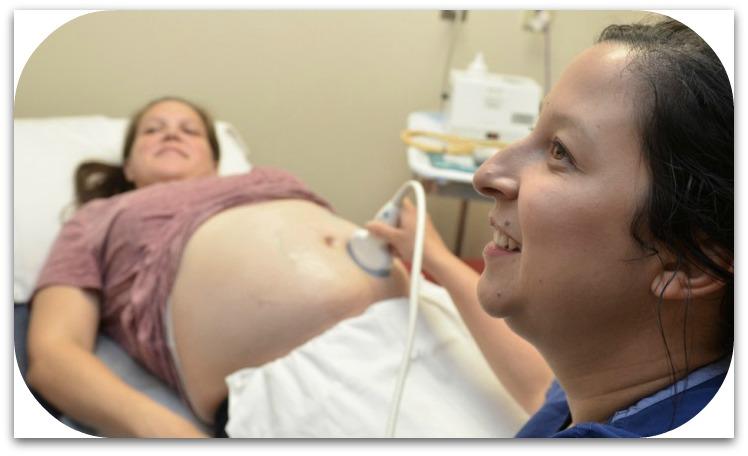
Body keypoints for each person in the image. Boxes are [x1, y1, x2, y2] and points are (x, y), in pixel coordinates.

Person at [368, 18, 733, 437]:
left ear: (687, 265)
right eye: (532, 131)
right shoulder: (648, 388)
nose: (486, 174)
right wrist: (435, 257)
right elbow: (542, 388)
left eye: (560, 151)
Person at [25, 96, 410, 437]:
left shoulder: (266, 178)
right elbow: (53, 354)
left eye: (190, 130)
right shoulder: (97, 217)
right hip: (292, 389)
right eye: (153, 130)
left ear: (214, 159)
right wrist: (175, 435)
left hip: (413, 328)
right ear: (128, 167)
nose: (171, 135)